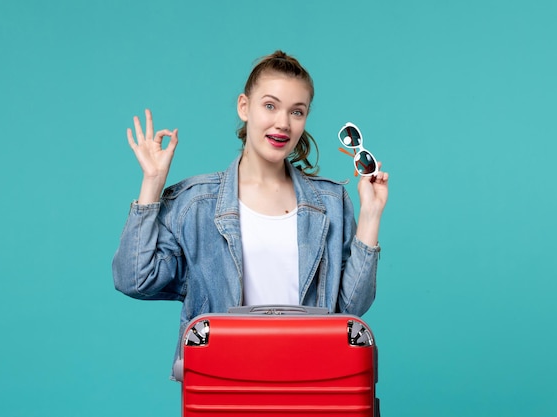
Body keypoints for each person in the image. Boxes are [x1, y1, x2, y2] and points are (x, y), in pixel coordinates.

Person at [112, 50, 389, 378]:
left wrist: (371, 214)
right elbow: (134, 279)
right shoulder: (197, 203)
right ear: (245, 106)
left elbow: (350, 312)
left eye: (296, 112)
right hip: (225, 381)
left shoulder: (331, 202)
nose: (282, 123)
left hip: (310, 378)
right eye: (270, 106)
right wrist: (152, 185)